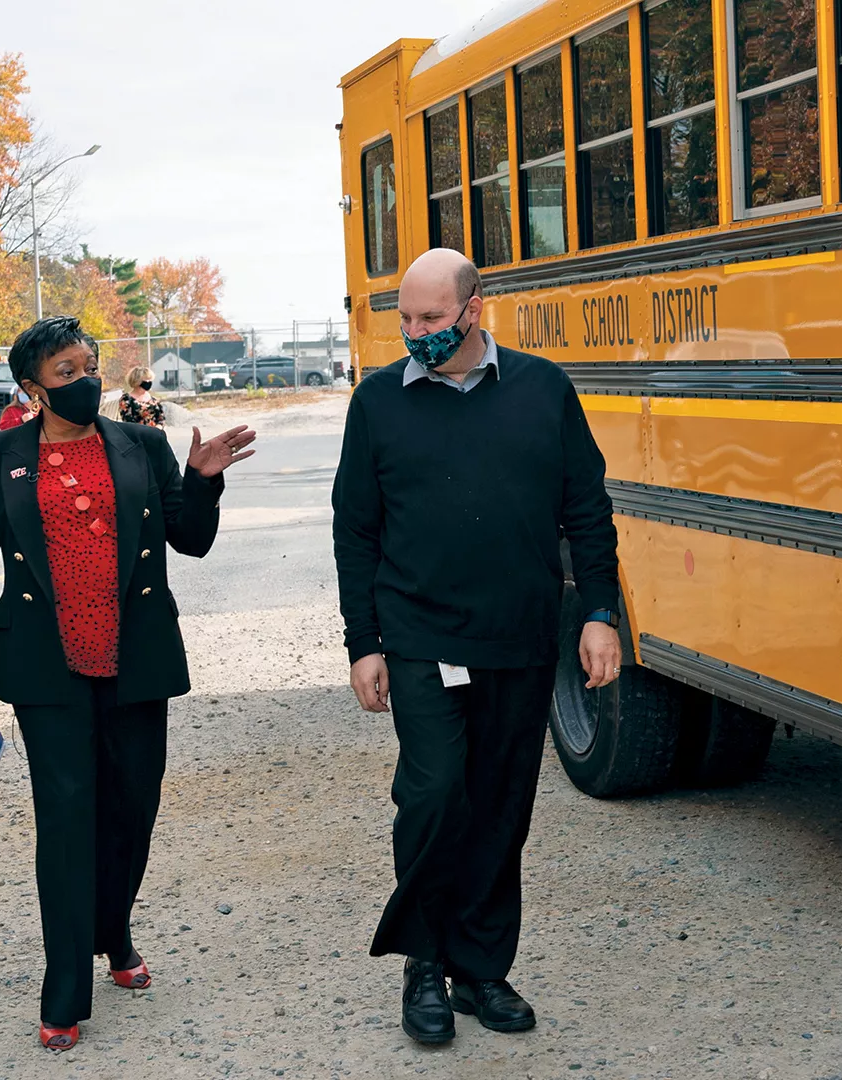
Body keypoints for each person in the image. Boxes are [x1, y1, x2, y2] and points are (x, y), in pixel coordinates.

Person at [331, 248, 622, 1045]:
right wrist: (365, 643)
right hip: (421, 636)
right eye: (406, 321)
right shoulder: (379, 402)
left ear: (475, 309)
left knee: (501, 803)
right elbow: (355, 531)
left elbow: (587, 511)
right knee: (434, 792)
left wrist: (600, 611)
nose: (416, 333)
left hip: (519, 636)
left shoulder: (542, 390)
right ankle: (423, 962)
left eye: (431, 319)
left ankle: (481, 970)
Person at [0, 315, 258, 1052]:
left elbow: (192, 539)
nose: (85, 378)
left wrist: (204, 481)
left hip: (136, 662)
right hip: (44, 668)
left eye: (89, 364)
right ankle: (64, 989)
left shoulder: (141, 444)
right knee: (65, 822)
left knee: (131, 810)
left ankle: (115, 933)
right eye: (66, 370)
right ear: (32, 388)